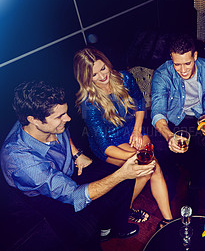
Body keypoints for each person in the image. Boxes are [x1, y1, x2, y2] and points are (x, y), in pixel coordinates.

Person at [1, 81, 154, 249]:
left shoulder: (44, 122)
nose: (68, 118)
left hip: (70, 168)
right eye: (59, 116)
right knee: (85, 231)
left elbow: (62, 129)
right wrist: (122, 173)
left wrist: (76, 153)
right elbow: (74, 195)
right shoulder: (19, 161)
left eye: (65, 113)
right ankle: (99, 231)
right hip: (45, 193)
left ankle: (115, 226)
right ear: (34, 120)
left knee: (125, 182)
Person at [74, 47, 173, 228]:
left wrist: (137, 131)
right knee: (150, 166)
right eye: (94, 75)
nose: (102, 76)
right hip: (111, 144)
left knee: (149, 167)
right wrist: (137, 156)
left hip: (132, 131)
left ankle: (167, 220)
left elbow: (140, 103)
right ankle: (125, 209)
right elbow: (104, 146)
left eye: (103, 68)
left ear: (106, 63)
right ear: (85, 78)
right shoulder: (88, 103)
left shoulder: (123, 77)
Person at [151, 34, 205, 211]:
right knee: (165, 166)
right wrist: (169, 136)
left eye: (187, 63)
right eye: (177, 64)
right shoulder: (162, 74)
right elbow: (158, 111)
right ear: (171, 58)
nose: (183, 70)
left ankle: (194, 192)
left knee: (204, 162)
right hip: (172, 120)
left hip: (201, 117)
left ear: (195, 56)